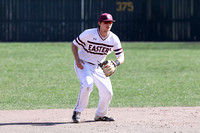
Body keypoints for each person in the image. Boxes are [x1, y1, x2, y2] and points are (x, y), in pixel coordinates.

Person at [71, 13, 124, 123]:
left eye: (110, 22)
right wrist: (77, 59)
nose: (108, 25)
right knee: (87, 85)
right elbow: (74, 44)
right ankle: (77, 112)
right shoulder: (89, 33)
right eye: (105, 22)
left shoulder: (113, 38)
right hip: (83, 63)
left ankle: (100, 115)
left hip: (98, 66)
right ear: (99, 23)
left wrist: (115, 63)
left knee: (108, 92)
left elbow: (121, 56)